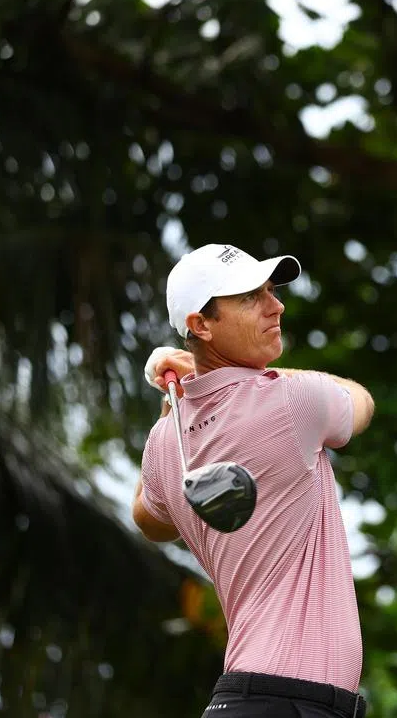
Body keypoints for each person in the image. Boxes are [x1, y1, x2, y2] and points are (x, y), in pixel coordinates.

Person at [132, 243, 374, 718]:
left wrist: (173, 404)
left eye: (270, 290)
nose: (276, 304)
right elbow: (360, 400)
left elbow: (148, 517)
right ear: (200, 325)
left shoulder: (165, 444)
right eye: (248, 297)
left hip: (250, 698)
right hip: (287, 701)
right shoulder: (291, 400)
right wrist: (256, 375)